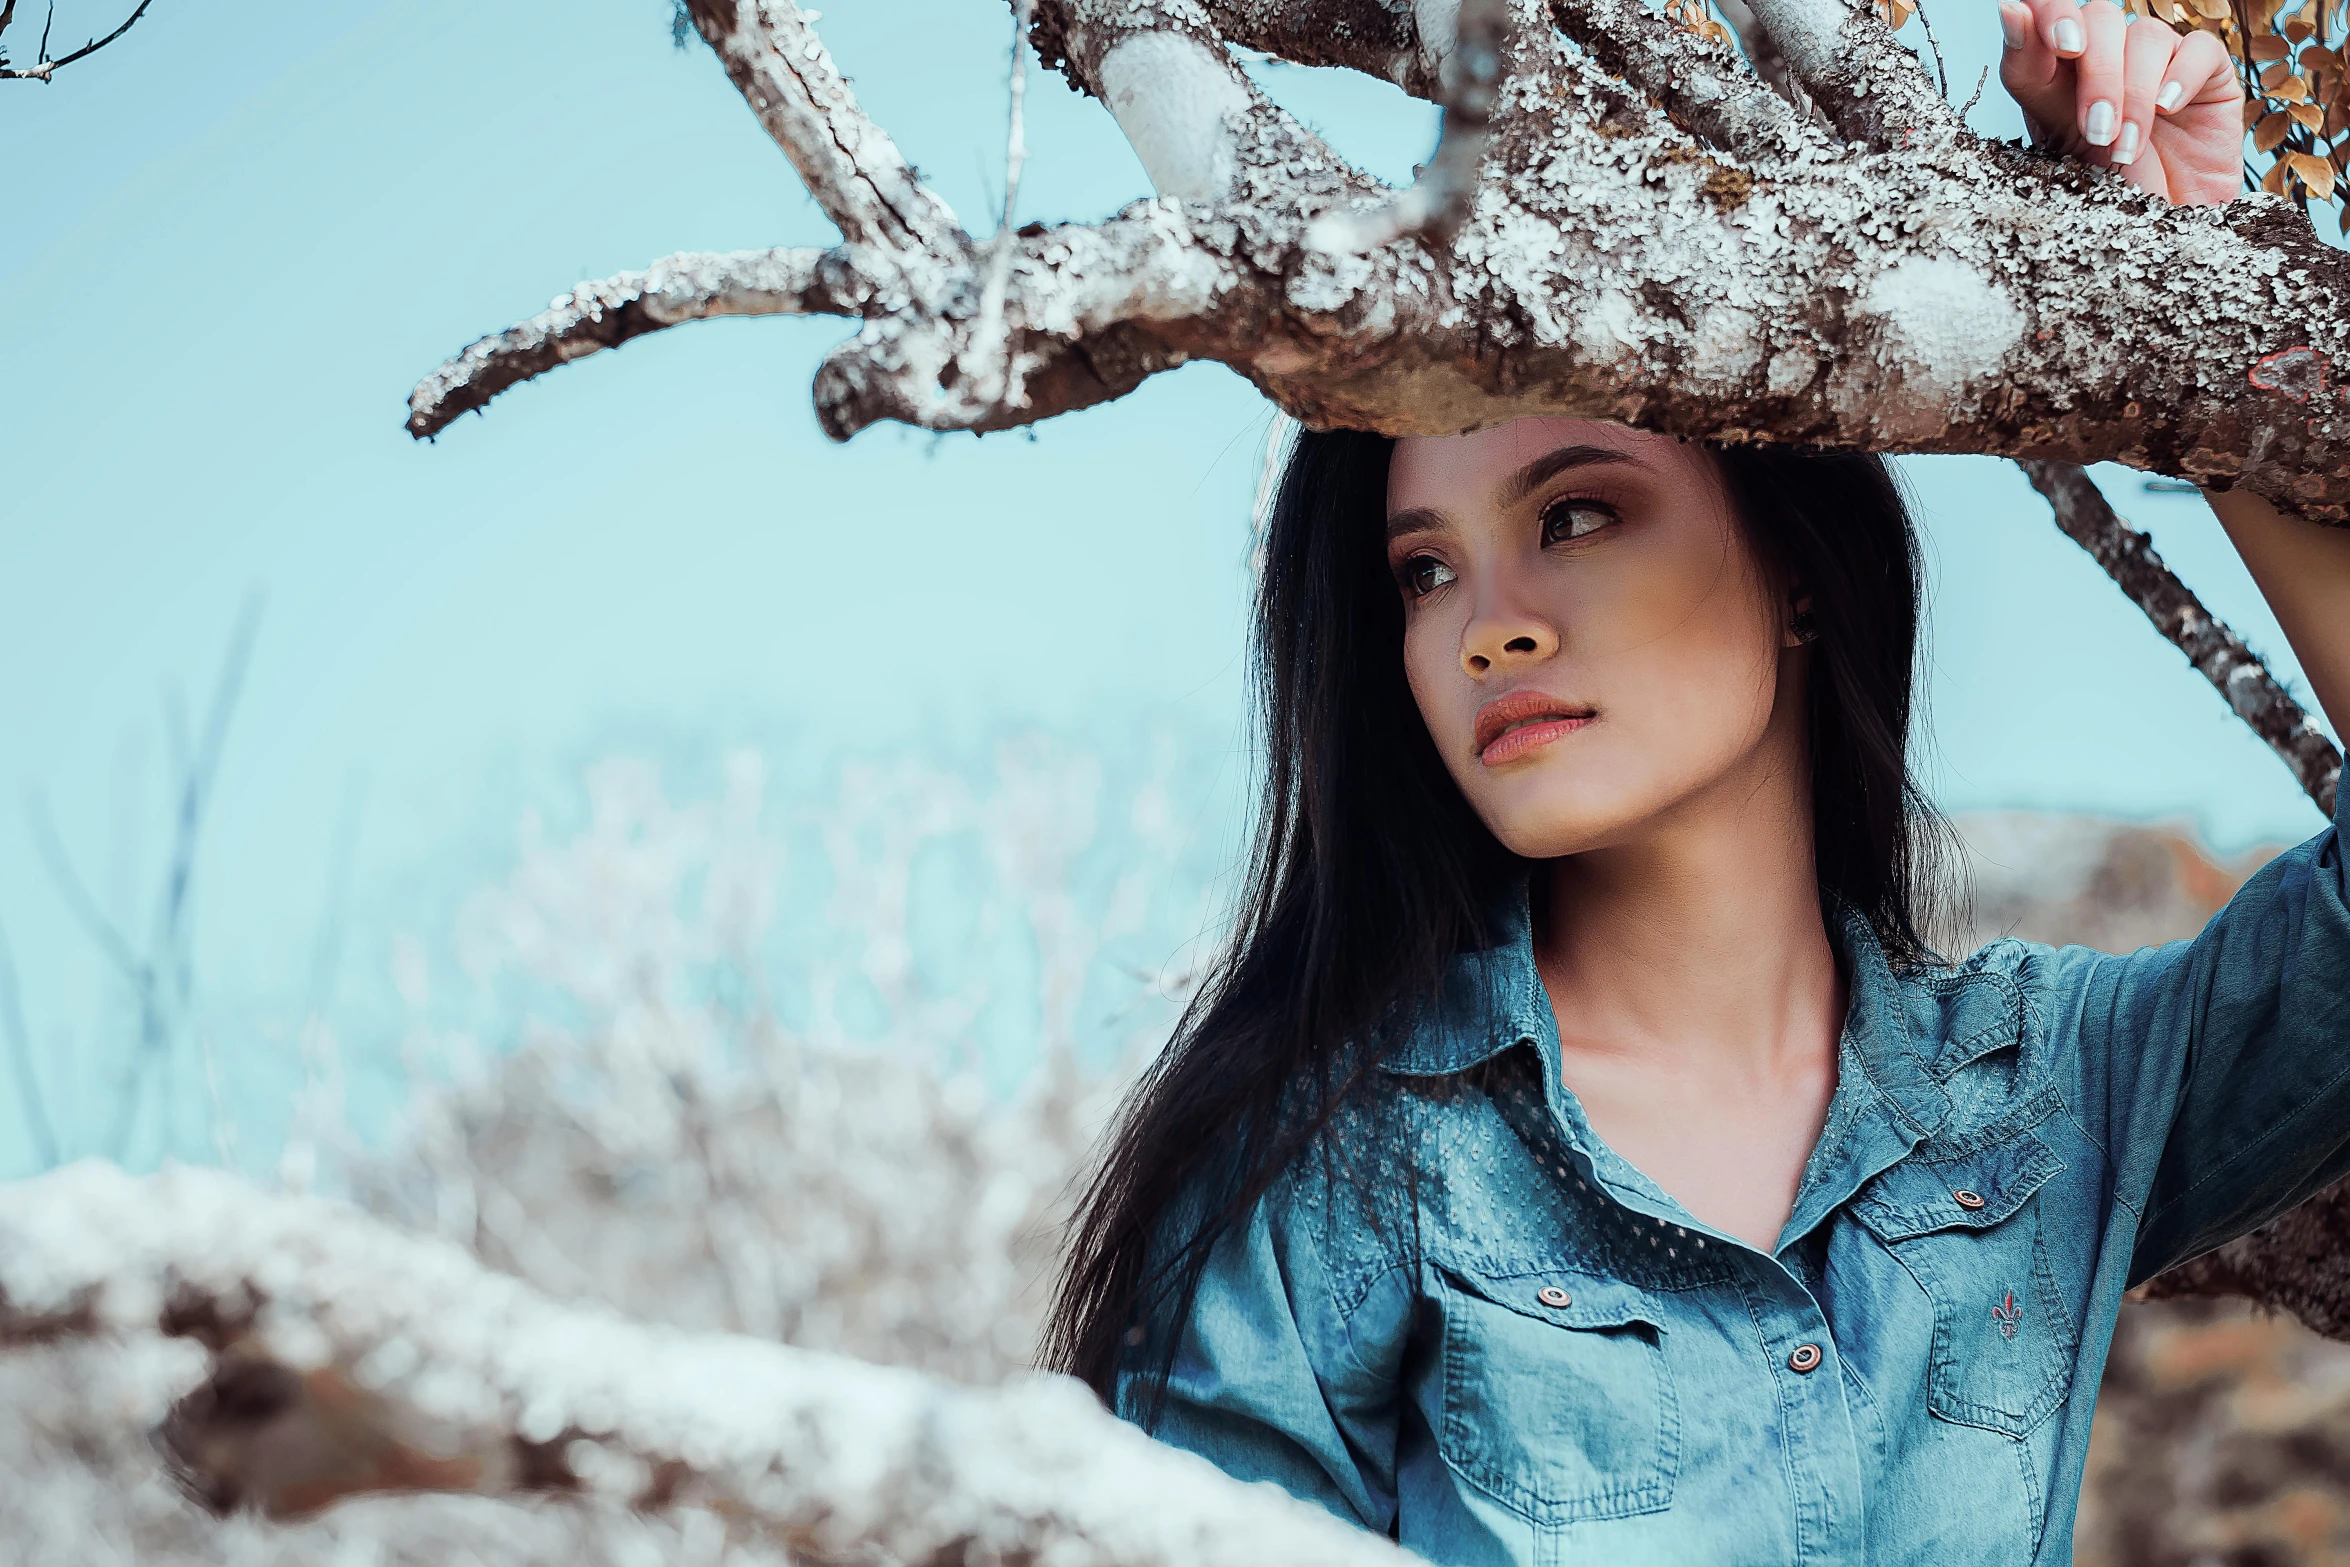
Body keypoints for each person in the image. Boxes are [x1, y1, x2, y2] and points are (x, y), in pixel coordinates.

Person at [1041, 2, 2350, 1563]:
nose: (1488, 621)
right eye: (1420, 569)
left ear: (1799, 566)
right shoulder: (1331, 1159)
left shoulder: (2044, 1102)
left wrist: (2186, 289)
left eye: (1578, 514)